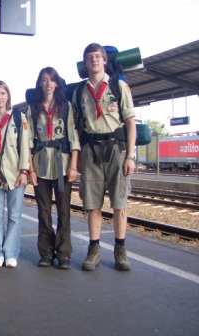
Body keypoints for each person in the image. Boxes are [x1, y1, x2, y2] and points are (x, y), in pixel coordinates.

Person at [72, 43, 136, 271]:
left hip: (116, 149)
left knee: (119, 203)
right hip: (91, 151)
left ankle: (120, 250)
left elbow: (130, 122)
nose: (94, 61)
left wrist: (131, 155)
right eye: (89, 57)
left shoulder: (118, 86)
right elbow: (78, 126)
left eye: (97, 56)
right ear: (85, 62)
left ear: (104, 60)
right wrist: (76, 156)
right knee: (92, 204)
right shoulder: (80, 91)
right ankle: (94, 249)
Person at [27, 67, 80, 269]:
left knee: (64, 210)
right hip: (40, 163)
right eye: (44, 79)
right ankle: (46, 253)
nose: (48, 83)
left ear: (57, 83)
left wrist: (73, 166)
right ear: (40, 83)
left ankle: (64, 253)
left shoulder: (65, 106)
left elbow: (73, 138)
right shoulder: (33, 108)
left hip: (62, 164)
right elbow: (28, 141)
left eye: (52, 80)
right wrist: (30, 169)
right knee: (43, 211)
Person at [0, 81, 29, 268]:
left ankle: (11, 252)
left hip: (15, 173)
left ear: (8, 96)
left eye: (2, 93)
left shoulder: (19, 118)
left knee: (14, 216)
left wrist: (24, 171)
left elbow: (25, 146)